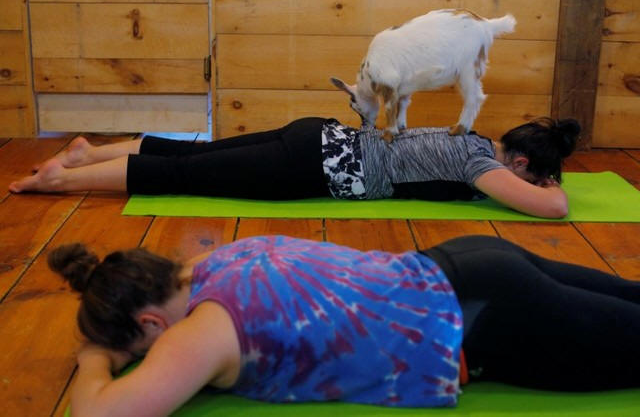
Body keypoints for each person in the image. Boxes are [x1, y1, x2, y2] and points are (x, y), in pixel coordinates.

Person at [52, 235, 639, 416]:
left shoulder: (198, 334)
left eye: (142, 349)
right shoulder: (219, 258)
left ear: (151, 321)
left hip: (488, 319)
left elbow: (101, 414)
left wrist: (95, 358)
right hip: (467, 260)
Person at [10, 117, 580, 218]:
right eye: (533, 175)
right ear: (520, 162)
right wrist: (549, 188)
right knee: (184, 175)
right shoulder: (480, 162)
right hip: (313, 165)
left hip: (317, 134)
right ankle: (65, 179)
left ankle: (90, 153)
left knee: (195, 155)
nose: (531, 185)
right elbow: (552, 208)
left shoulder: (473, 137)